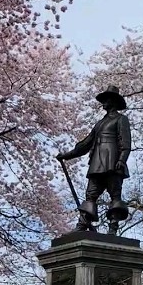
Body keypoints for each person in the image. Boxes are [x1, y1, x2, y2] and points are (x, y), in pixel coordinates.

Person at [56, 85, 132, 233]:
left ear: (113, 101)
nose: (103, 103)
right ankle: (82, 224)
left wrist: (122, 160)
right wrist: (66, 155)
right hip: (97, 162)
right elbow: (86, 143)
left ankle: (113, 227)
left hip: (113, 161)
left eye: (106, 100)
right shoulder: (100, 123)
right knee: (91, 194)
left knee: (115, 194)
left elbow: (126, 142)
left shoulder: (121, 119)